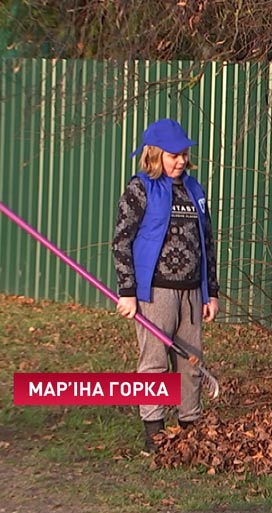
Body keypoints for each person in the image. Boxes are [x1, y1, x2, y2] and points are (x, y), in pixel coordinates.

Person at [112, 118, 220, 454]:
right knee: (155, 361)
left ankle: (189, 429)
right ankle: (154, 435)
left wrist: (211, 291)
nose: (181, 161)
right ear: (155, 154)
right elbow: (121, 241)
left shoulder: (194, 189)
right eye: (174, 155)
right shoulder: (140, 188)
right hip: (154, 291)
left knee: (191, 362)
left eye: (184, 154)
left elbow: (208, 241)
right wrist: (127, 290)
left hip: (192, 292)